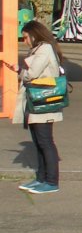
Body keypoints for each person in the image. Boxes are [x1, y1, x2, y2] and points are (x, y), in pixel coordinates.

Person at [10, 20, 65, 194]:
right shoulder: (39, 49)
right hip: (36, 102)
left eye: (26, 37)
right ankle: (41, 178)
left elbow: (32, 74)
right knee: (39, 142)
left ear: (34, 35)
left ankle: (51, 182)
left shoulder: (44, 49)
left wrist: (19, 70)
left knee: (45, 142)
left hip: (43, 101)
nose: (24, 41)